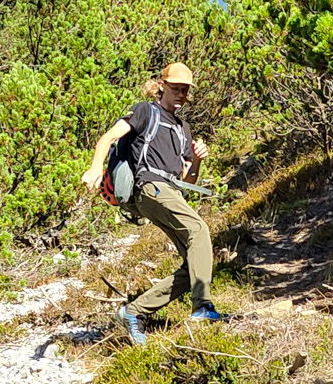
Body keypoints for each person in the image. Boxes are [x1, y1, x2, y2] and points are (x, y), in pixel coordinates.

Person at [81, 63, 228, 345]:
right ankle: (203, 306)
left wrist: (197, 158)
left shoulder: (183, 128)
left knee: (196, 261)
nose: (181, 94)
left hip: (169, 190)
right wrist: (95, 168)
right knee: (199, 230)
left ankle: (133, 312)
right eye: (176, 88)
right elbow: (108, 138)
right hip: (149, 187)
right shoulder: (145, 111)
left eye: (185, 90)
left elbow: (188, 176)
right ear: (162, 86)